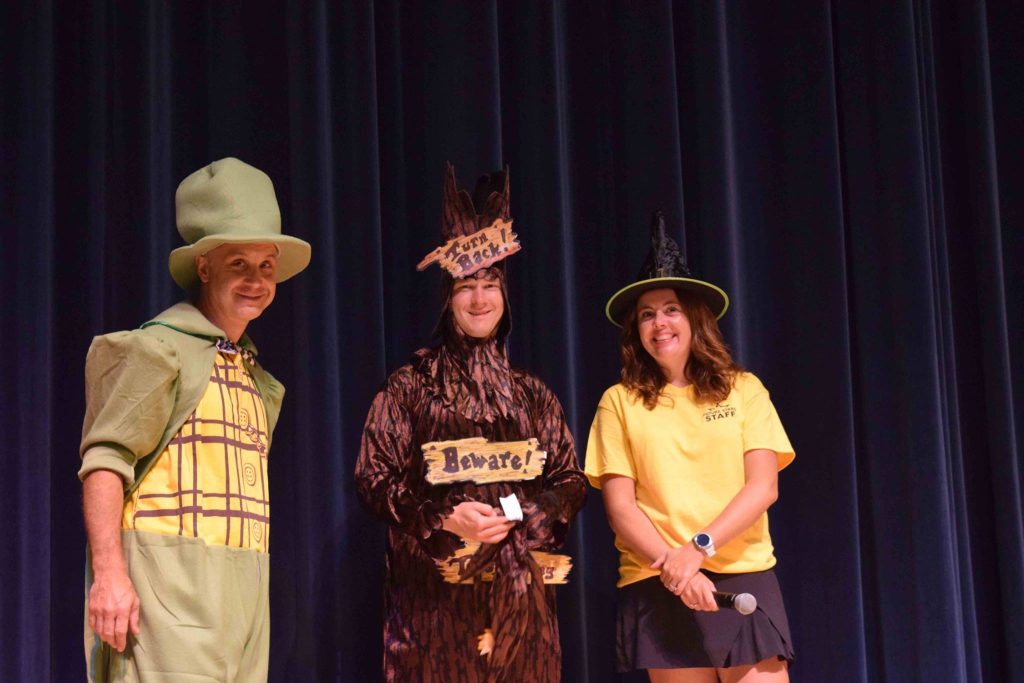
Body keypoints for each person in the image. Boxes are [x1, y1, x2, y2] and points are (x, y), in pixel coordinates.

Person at [79, 157, 311, 682]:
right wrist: (110, 574)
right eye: (238, 264)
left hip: (245, 594)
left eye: (266, 265)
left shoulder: (250, 375)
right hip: (171, 590)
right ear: (203, 268)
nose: (256, 281)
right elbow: (105, 459)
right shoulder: (158, 350)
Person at [356, 163, 587, 682]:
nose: (479, 298)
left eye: (490, 284)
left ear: (505, 296)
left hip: (520, 606)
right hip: (431, 611)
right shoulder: (409, 386)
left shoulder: (534, 394)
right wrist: (441, 515)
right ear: (447, 298)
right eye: (465, 287)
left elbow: (572, 479)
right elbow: (373, 479)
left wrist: (530, 510)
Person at [584, 211, 795, 682]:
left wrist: (698, 550)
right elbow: (621, 507)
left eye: (671, 309)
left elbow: (763, 488)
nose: (659, 323)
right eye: (646, 314)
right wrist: (676, 567)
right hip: (661, 580)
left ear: (695, 317)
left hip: (740, 571)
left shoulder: (744, 389)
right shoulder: (618, 401)